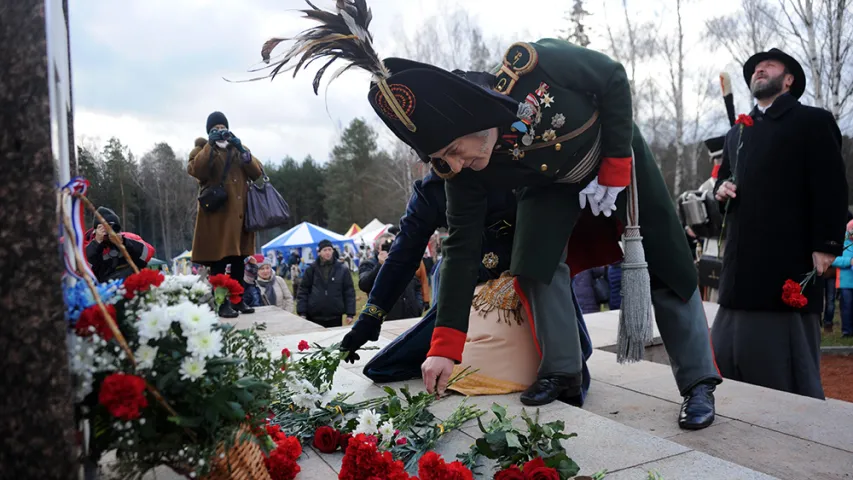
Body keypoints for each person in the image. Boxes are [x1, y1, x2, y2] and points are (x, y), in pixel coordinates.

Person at [264, 1, 720, 429]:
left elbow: (613, 78)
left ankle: (698, 383)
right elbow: (460, 252)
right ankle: (562, 372)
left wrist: (616, 165)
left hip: (613, 159)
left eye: (454, 150)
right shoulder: (460, 174)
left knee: (668, 261)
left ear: (470, 118)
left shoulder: (532, 66)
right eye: (441, 160)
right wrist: (444, 348)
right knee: (534, 265)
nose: (455, 165)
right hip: (550, 185)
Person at [342, 168, 593, 404]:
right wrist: (371, 316)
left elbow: (545, 246)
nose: (455, 161)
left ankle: (560, 366)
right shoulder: (433, 191)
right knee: (394, 365)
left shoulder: (517, 166)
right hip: (469, 292)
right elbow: (403, 255)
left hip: (528, 282)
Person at [712, 48, 848, 399]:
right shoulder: (737, 133)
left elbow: (831, 186)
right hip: (740, 270)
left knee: (784, 376)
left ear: (788, 79)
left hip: (788, 260)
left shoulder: (813, 121)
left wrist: (826, 245)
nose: (760, 69)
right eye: (756, 68)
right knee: (727, 361)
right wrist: (720, 188)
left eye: (769, 65)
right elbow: (723, 178)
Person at [188, 111, 263, 318]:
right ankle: (221, 303)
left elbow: (257, 173)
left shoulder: (239, 148)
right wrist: (209, 146)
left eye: (223, 128)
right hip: (216, 218)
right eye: (215, 129)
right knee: (219, 262)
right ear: (209, 131)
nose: (220, 131)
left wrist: (242, 151)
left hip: (239, 216)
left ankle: (237, 301)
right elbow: (198, 171)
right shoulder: (200, 150)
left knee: (239, 259)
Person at [358, 233, 423, 320]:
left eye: (395, 243)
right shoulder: (370, 263)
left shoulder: (404, 261)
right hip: (386, 317)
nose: (391, 247)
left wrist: (418, 306)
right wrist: (380, 265)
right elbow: (364, 285)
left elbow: (416, 284)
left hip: (410, 315)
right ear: (378, 248)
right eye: (386, 245)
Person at [84, 207, 154, 282]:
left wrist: (124, 243)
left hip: (131, 284)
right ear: (96, 229)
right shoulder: (87, 244)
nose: (110, 231)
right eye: (106, 228)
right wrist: (96, 243)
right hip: (102, 289)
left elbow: (148, 254)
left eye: (114, 227)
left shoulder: (127, 238)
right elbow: (85, 269)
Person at [296, 239, 356, 328]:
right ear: (319, 252)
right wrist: (302, 312)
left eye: (329, 250)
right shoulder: (311, 270)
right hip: (314, 314)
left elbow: (349, 291)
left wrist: (350, 313)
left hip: (335, 315)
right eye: (325, 250)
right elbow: (303, 291)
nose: (327, 252)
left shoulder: (342, 269)